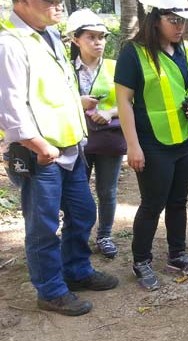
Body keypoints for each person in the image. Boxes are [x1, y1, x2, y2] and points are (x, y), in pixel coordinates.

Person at [0, 0, 118, 316]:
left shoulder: (49, 34)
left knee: (82, 213)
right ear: (22, 2)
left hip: (69, 148)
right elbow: (10, 108)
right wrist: (39, 146)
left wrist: (76, 103)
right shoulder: (10, 43)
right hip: (40, 154)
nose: (58, 4)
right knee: (43, 227)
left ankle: (76, 271)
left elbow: (52, 88)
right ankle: (51, 290)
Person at [115, 0, 188, 290]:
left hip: (184, 139)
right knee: (153, 203)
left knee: (178, 202)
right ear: (156, 19)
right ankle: (141, 260)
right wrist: (133, 145)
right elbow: (123, 102)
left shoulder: (186, 50)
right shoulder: (134, 53)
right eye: (173, 20)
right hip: (152, 142)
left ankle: (177, 254)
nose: (180, 27)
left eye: (183, 21)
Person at [67, 9, 126, 260]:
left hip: (108, 139)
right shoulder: (66, 70)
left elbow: (131, 103)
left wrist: (111, 112)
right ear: (75, 39)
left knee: (107, 190)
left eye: (101, 37)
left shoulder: (115, 67)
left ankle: (104, 236)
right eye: (91, 37)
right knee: (76, 191)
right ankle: (76, 236)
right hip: (75, 140)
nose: (98, 42)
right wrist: (75, 101)